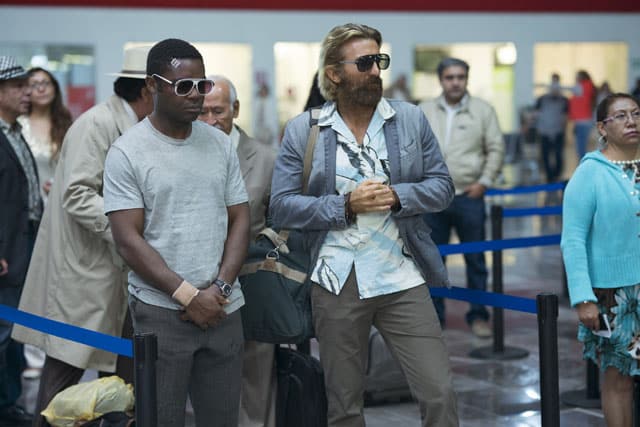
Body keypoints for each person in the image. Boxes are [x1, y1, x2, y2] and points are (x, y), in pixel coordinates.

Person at [270, 23, 458, 427]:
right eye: (365, 62)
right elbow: (281, 207)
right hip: (336, 280)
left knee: (439, 393)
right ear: (334, 73)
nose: (375, 71)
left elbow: (443, 187)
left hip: (402, 276)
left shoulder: (409, 119)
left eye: (379, 61)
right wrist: (345, 205)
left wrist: (398, 196)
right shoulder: (304, 129)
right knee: (344, 406)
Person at [104, 38, 250, 427]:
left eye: (202, 85)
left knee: (222, 421)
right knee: (162, 419)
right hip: (161, 311)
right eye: (184, 86)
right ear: (153, 85)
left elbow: (240, 219)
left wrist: (219, 290)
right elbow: (128, 241)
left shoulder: (220, 145)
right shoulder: (127, 152)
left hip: (223, 307)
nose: (196, 95)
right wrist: (189, 296)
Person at [11, 45, 154, 427]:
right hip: (84, 274)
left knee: (122, 386)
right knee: (62, 379)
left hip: (116, 274)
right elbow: (77, 194)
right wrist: (128, 231)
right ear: (148, 89)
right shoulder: (97, 124)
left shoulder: (132, 125)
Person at [197, 74, 277, 427]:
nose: (210, 120)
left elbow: (283, 222)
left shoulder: (266, 159)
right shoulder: (185, 152)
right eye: (202, 112)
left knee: (255, 376)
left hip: (252, 282)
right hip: (195, 286)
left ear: (236, 109)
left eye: (218, 111)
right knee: (206, 380)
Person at [561, 92, 640, 427]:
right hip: (614, 294)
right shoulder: (590, 173)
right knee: (619, 377)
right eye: (620, 116)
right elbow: (573, 240)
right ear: (602, 128)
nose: (631, 121)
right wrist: (583, 297)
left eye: (636, 113)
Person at [420, 57, 504, 337]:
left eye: (460, 77)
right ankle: (434, 319)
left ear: (466, 79)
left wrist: (484, 182)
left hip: (469, 196)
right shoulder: (424, 110)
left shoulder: (483, 110)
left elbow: (496, 148)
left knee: (476, 261)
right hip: (433, 197)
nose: (455, 82)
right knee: (432, 262)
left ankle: (478, 316)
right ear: (441, 80)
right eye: (449, 77)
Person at [0, 56, 39, 427]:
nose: (27, 93)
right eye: (17, 87)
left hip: (22, 245)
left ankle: (9, 404)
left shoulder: (14, 132)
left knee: (14, 333)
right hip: (6, 250)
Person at [18, 67, 72, 199]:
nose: (41, 89)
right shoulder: (18, 125)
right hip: (26, 201)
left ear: (55, 88)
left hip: (62, 200)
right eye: (34, 85)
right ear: (26, 90)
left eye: (46, 83)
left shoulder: (67, 124)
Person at [535, 73, 569, 183]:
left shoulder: (564, 100)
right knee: (545, 155)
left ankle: (557, 175)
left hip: (558, 131)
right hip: (544, 132)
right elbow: (537, 114)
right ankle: (549, 176)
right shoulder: (541, 99)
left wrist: (563, 130)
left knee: (558, 154)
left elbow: (565, 117)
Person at [568, 70, 596, 160]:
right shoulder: (589, 86)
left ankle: (583, 164)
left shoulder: (584, 86)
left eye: (577, 76)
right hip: (582, 120)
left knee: (581, 146)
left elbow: (570, 89)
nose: (576, 78)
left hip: (583, 120)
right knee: (581, 146)